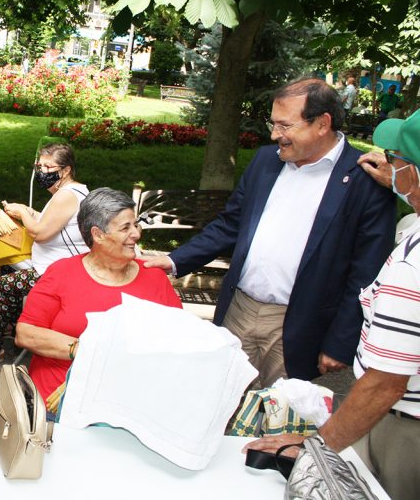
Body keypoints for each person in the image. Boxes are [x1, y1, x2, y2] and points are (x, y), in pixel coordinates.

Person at [144, 77, 396, 387]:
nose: (275, 134)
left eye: (285, 125)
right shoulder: (266, 161)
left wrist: (340, 341)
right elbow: (231, 224)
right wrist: (174, 260)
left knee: (281, 421)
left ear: (322, 123)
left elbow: (366, 272)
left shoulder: (364, 178)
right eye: (273, 124)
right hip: (239, 310)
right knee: (219, 402)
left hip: (299, 324)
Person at [245, 110, 420, 500]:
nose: (386, 163)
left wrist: (316, 449)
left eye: (397, 160)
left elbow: (384, 385)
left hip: (404, 428)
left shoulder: (413, 266)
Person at [16, 188, 183, 399]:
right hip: (59, 397)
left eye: (135, 224)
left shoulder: (154, 278)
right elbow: (27, 333)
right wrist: (88, 350)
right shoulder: (62, 273)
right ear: (98, 235)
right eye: (125, 228)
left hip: (131, 396)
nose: (137, 234)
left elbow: (178, 335)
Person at [0, 143, 89, 364]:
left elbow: (40, 233)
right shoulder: (69, 192)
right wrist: (26, 210)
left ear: (66, 170)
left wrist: (23, 213)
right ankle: (9, 325)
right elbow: (50, 220)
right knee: (7, 264)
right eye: (39, 165)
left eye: (47, 167)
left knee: (2, 286)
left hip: (61, 272)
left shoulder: (67, 196)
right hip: (57, 264)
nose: (41, 172)